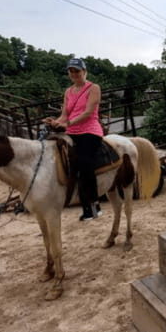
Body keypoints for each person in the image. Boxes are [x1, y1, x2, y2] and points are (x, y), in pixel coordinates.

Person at [44, 58, 104, 221]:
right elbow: (65, 114)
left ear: (84, 72)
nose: (74, 74)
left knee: (84, 163)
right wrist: (56, 122)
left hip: (89, 130)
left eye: (77, 71)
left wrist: (67, 123)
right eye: (71, 71)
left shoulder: (94, 88)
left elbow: (88, 112)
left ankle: (93, 205)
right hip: (71, 131)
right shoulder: (68, 92)